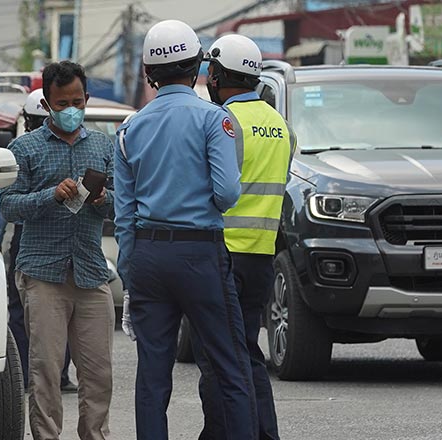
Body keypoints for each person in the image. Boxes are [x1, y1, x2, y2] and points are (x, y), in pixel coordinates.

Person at [114, 19, 258, 440]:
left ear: (148, 73)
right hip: (200, 255)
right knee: (230, 365)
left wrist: (131, 276)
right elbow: (228, 193)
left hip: (147, 255)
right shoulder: (214, 120)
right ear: (197, 66)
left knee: (153, 376)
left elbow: (124, 217)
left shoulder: (130, 128)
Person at [0, 60, 115, 440]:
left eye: (77, 102)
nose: (71, 110)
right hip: (43, 275)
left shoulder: (103, 145)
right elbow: (9, 205)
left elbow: (122, 204)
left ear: (87, 99)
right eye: (62, 104)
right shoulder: (24, 147)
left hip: (91, 272)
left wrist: (101, 199)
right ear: (48, 105)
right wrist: (52, 195)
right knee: (46, 372)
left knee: (98, 374)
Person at [196, 33, 296, 440]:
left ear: (218, 75)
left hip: (224, 255)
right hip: (261, 257)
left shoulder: (225, 122)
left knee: (214, 357)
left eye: (211, 73)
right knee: (247, 353)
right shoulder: (281, 126)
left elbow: (216, 189)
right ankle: (263, 434)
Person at [0, 88, 78, 394]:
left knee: (20, 308)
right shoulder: (74, 147)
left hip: (28, 241)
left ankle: (28, 372)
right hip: (71, 242)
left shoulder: (21, 150)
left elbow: (6, 206)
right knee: (65, 307)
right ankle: (61, 375)